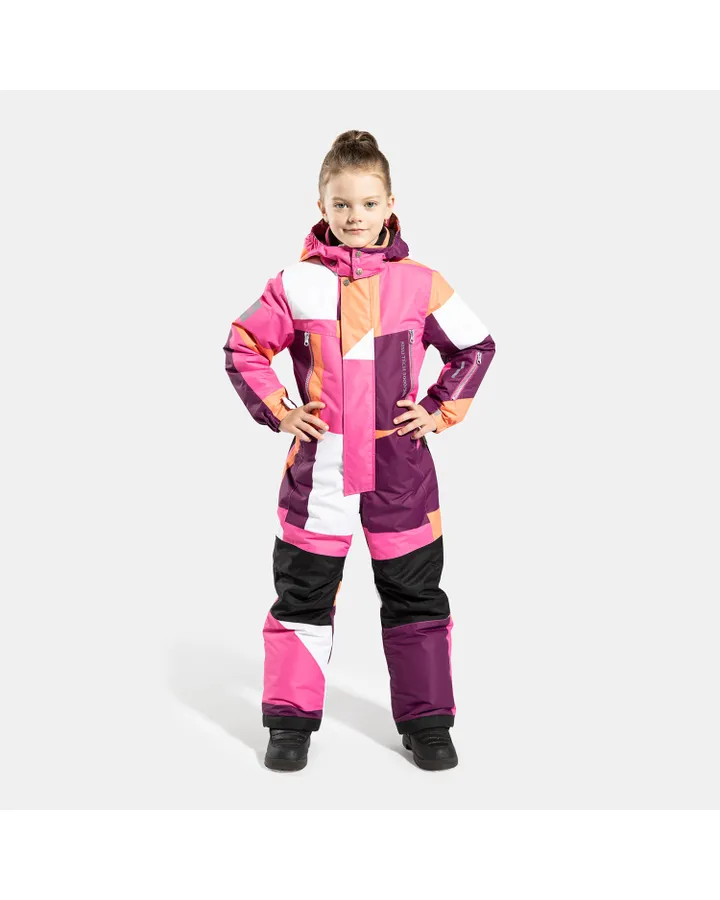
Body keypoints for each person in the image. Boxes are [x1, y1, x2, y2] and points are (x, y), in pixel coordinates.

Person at [223, 129, 496, 772]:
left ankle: (428, 723)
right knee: (303, 596)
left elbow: (475, 346)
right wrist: (281, 409)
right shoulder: (295, 283)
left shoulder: (421, 284)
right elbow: (243, 344)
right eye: (342, 204)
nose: (355, 217)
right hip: (319, 476)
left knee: (416, 596)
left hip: (401, 474)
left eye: (369, 204)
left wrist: (437, 408)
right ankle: (289, 723)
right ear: (322, 205)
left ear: (390, 204)